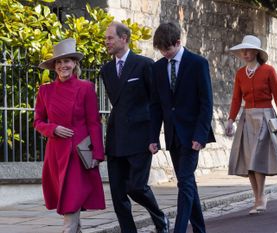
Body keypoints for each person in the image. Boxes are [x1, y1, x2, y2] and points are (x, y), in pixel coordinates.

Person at [100, 21, 169, 233]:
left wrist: (154, 137)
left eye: (110, 38)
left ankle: (160, 217)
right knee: (118, 194)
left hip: (140, 137)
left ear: (124, 38)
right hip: (116, 137)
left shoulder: (144, 64)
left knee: (137, 187)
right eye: (106, 38)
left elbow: (156, 103)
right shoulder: (106, 70)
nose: (106, 42)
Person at [149, 22, 215, 233]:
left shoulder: (198, 63)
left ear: (178, 42)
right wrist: (153, 137)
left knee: (184, 183)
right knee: (187, 183)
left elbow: (206, 103)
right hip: (173, 136)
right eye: (160, 50)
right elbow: (157, 106)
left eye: (167, 49)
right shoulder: (158, 68)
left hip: (193, 135)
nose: (164, 53)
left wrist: (201, 135)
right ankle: (199, 229)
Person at [34, 38, 105, 233]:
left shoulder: (86, 88)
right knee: (67, 197)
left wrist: (97, 154)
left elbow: (94, 123)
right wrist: (53, 129)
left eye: (67, 61)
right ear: (54, 66)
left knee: (71, 196)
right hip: (56, 153)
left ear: (74, 63)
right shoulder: (45, 91)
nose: (62, 66)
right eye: (58, 62)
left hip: (79, 153)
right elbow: (38, 121)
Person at [225, 35, 277, 215]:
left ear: (256, 52)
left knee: (257, 158)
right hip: (247, 117)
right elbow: (236, 98)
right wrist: (230, 119)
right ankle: (257, 197)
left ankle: (260, 198)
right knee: (248, 160)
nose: (245, 53)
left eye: (248, 50)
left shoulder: (268, 70)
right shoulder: (240, 73)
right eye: (242, 50)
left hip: (265, 117)